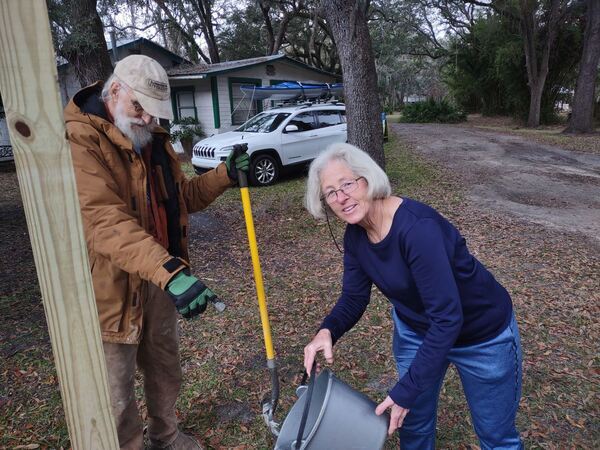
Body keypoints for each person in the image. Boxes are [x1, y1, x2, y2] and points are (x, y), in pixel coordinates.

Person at [64, 54, 249, 450]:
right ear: (115, 91)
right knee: (116, 387)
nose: (149, 120)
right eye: (140, 108)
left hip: (161, 276)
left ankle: (166, 436)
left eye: (154, 113)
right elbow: (103, 221)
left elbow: (178, 199)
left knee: (165, 366)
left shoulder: (153, 140)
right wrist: (171, 271)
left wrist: (223, 176)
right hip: (110, 286)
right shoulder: (80, 138)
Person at [302, 143, 523, 449]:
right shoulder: (355, 236)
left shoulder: (418, 230)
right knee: (413, 426)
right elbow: (354, 297)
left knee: (496, 437)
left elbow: (447, 319)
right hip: (418, 332)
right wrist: (327, 331)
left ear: (368, 179)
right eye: (330, 192)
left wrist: (407, 390)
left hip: (481, 336)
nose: (341, 198)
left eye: (347, 184)